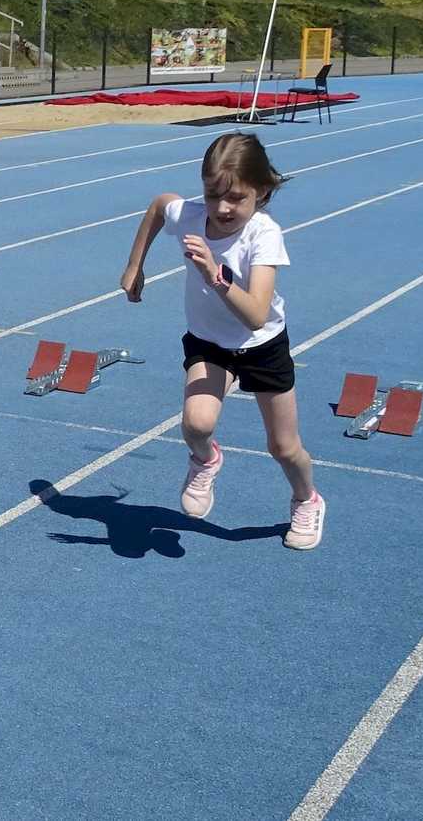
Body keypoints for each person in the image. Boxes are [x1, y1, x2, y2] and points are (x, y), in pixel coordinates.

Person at [118, 132, 326, 551]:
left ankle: (307, 499)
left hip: (261, 345)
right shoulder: (192, 215)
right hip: (208, 342)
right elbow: (160, 205)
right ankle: (206, 459)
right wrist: (134, 265)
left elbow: (255, 315)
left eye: (235, 198)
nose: (222, 208)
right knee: (196, 423)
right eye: (213, 195)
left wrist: (216, 275)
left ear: (261, 192)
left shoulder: (263, 236)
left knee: (284, 448)